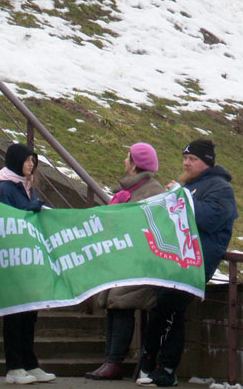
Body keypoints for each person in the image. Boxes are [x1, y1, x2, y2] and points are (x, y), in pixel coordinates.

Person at [136, 139, 238, 387]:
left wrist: (179, 198)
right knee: (165, 309)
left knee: (169, 308)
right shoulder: (192, 186)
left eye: (192, 159)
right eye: (185, 158)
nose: (186, 163)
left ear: (207, 162)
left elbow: (211, 219)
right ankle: (155, 365)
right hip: (178, 259)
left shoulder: (220, 188)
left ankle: (162, 367)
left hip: (197, 262)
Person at [85, 143, 163, 381]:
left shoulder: (152, 191)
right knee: (112, 305)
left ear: (135, 163)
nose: (124, 161)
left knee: (121, 304)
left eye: (127, 157)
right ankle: (110, 360)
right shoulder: (127, 190)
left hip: (138, 261)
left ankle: (114, 362)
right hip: (121, 258)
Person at [0, 143, 56, 385]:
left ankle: (30, 362)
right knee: (15, 316)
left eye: (33, 161)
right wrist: (32, 208)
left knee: (30, 315)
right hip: (12, 260)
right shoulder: (5, 188)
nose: (31, 165)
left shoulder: (27, 186)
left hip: (28, 258)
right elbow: (8, 219)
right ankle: (14, 366)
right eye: (27, 161)